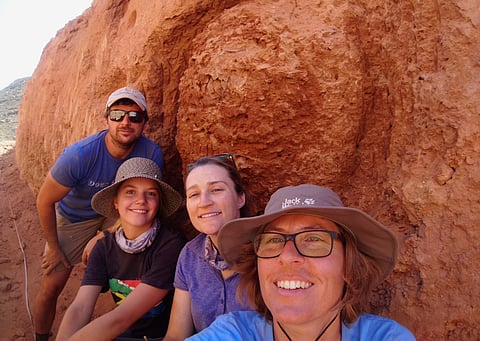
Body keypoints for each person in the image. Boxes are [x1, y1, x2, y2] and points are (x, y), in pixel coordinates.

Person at [187, 184, 417, 340]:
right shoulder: (234, 332)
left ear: (349, 266)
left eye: (314, 239)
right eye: (273, 240)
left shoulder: (385, 337)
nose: (287, 256)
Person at [33, 87, 164, 341]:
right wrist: (53, 246)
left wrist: (104, 235)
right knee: (51, 285)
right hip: (75, 216)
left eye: (135, 116)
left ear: (145, 123)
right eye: (118, 115)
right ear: (106, 120)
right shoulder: (79, 156)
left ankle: (133, 319)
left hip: (117, 213)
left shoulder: (150, 153)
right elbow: (44, 201)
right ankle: (40, 337)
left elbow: (147, 201)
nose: (126, 122)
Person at [56, 157, 185, 340]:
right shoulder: (103, 248)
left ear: (159, 203)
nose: (140, 200)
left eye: (151, 193)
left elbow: (121, 318)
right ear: (116, 202)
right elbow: (81, 307)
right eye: (130, 192)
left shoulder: (170, 245)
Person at [163, 154, 256, 341]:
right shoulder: (190, 255)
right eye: (194, 194)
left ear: (240, 198)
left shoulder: (267, 254)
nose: (204, 202)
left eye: (216, 189)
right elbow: (176, 334)